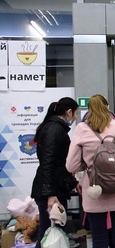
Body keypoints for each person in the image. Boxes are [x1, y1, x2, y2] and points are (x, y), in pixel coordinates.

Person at [65, 94, 115, 248]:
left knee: (99, 239)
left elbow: (71, 166)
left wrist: (88, 168)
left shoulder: (82, 129)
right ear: (108, 108)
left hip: (94, 192)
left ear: (89, 110)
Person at [30, 97, 80, 248]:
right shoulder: (55, 129)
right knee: (48, 235)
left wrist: (74, 182)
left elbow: (59, 165)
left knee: (53, 234)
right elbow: (48, 163)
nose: (75, 118)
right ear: (69, 112)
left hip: (53, 188)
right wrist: (50, 195)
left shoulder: (53, 127)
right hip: (50, 192)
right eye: (76, 113)